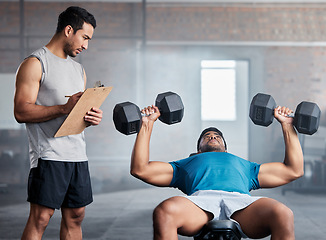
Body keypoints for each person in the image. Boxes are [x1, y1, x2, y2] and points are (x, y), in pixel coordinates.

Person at [130, 104, 304, 240]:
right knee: (164, 211)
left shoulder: (244, 165)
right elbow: (141, 169)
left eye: (217, 136)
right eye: (207, 136)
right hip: (199, 205)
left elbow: (293, 170)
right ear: (198, 150)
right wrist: (147, 123)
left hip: (242, 205)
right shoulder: (185, 164)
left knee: (282, 213)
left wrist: (288, 125)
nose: (212, 136)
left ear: (226, 149)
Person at [14, 6, 103, 240]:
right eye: (84, 38)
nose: (86, 45)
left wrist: (90, 117)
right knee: (41, 218)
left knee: (76, 216)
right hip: (49, 155)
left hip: (77, 155)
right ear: (68, 30)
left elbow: (75, 113)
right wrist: (64, 108)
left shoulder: (78, 70)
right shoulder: (35, 63)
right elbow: (21, 111)